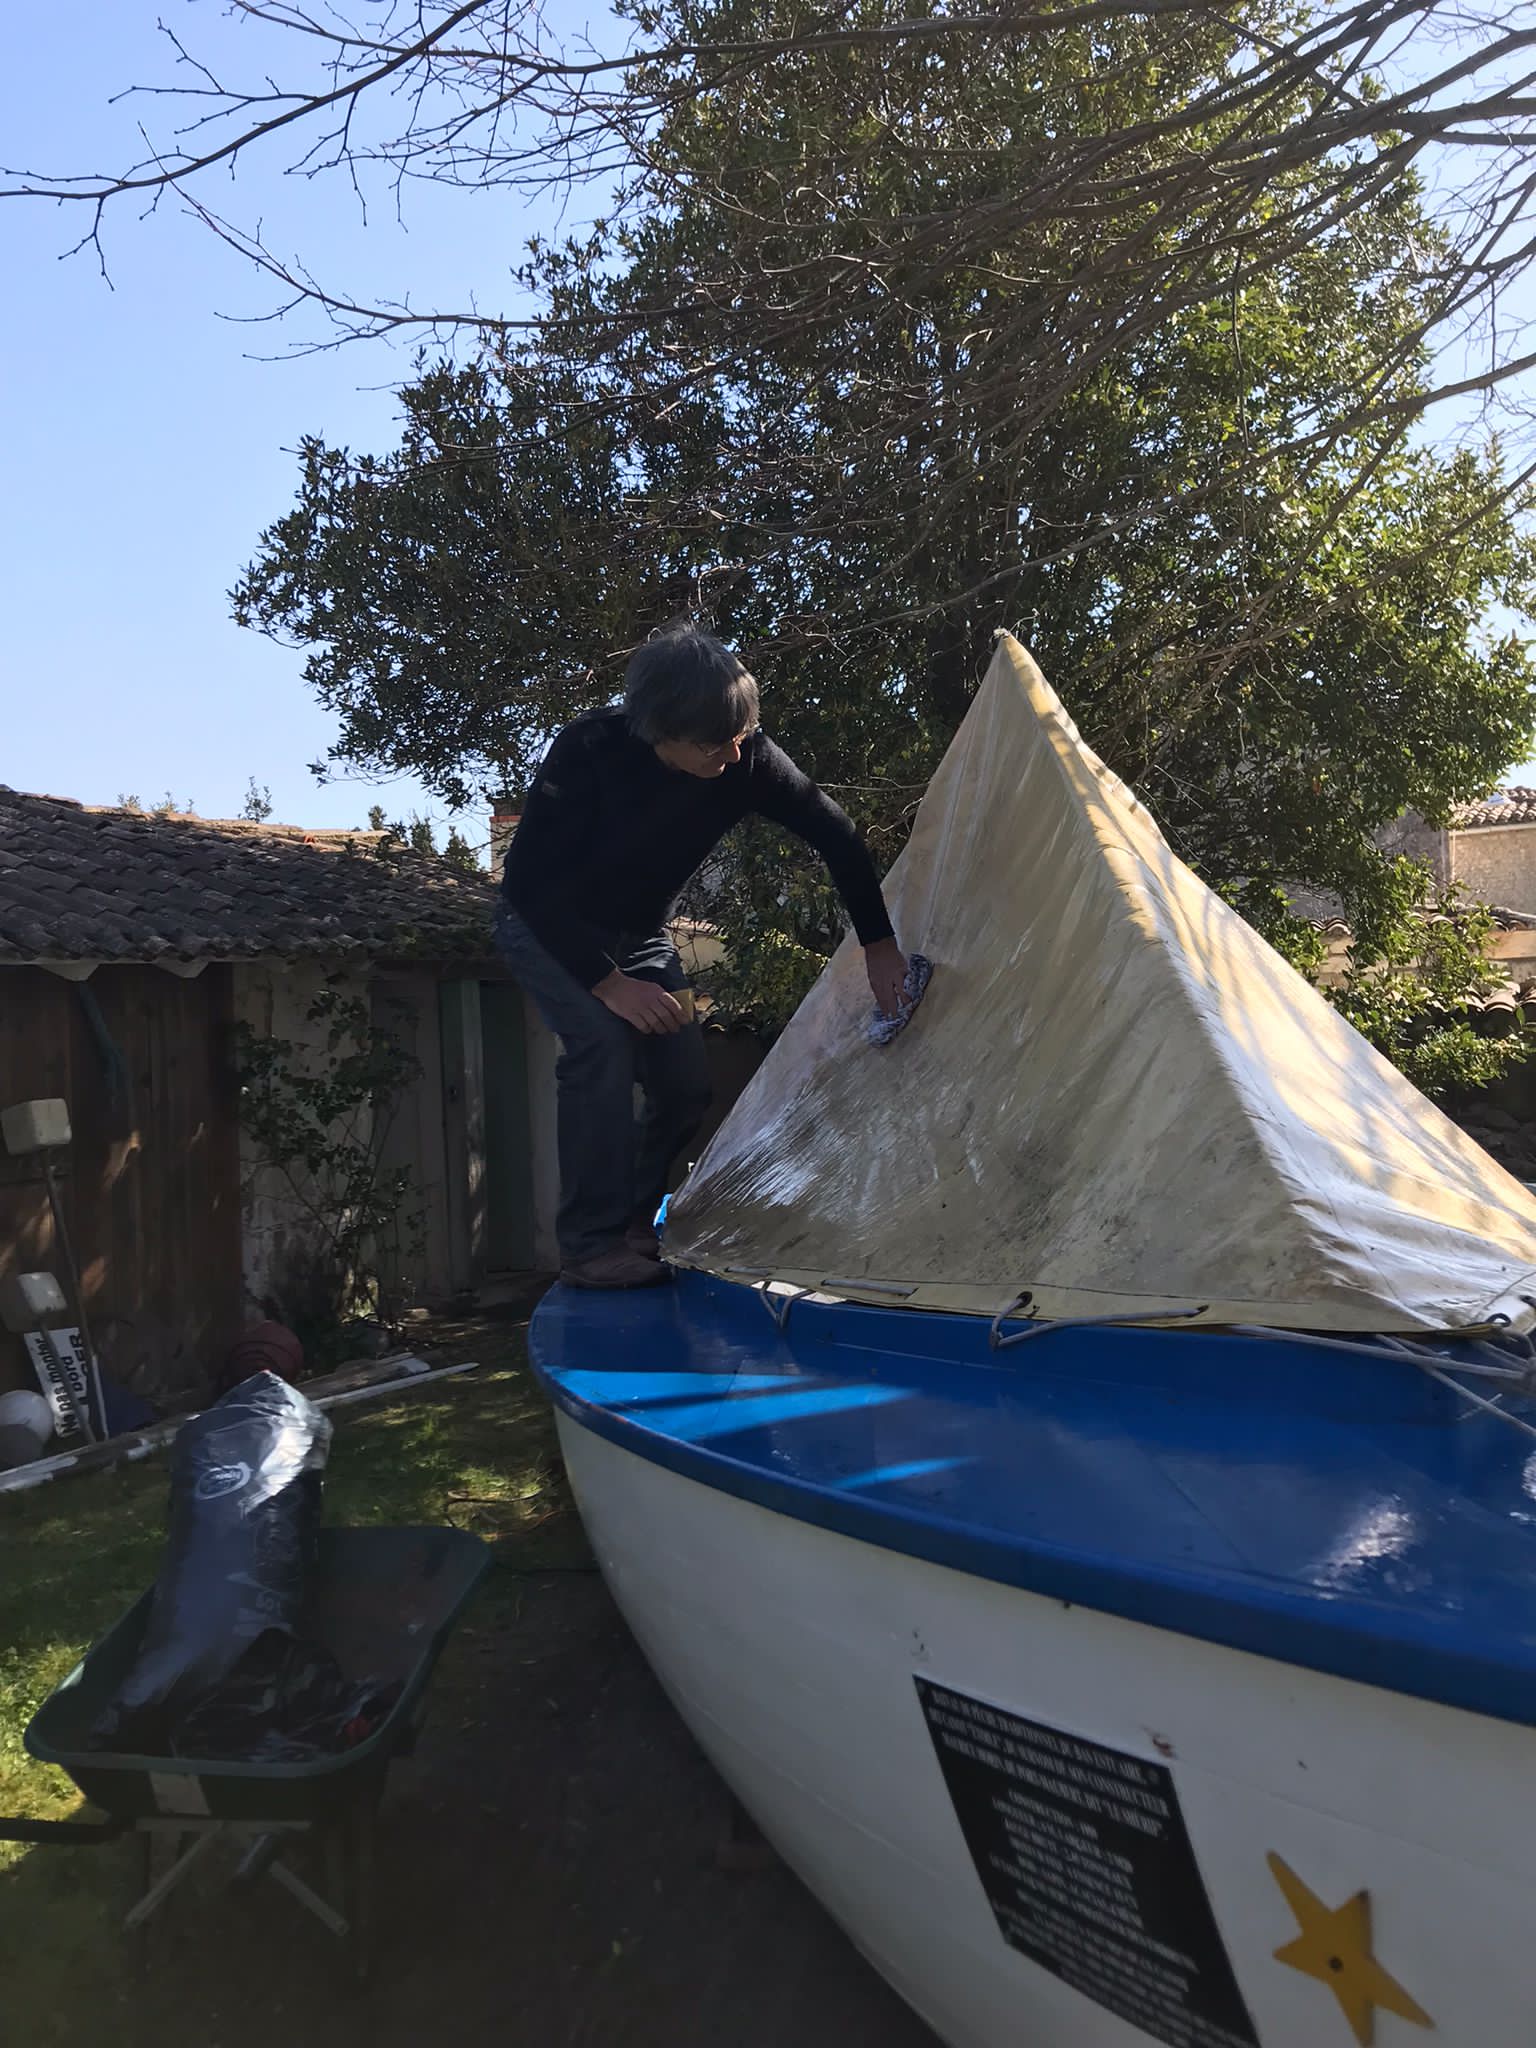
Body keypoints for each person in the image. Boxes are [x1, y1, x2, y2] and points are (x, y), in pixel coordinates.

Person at [497, 621, 908, 1289]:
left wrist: (879, 946)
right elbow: (527, 887)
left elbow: (837, 835)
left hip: (641, 933)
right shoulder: (588, 750)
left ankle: (635, 1222)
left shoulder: (746, 758)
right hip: (549, 927)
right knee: (602, 1045)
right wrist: (609, 985)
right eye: (714, 745)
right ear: (657, 731)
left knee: (686, 1083)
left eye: (742, 735)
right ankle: (590, 1245)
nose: (733, 754)